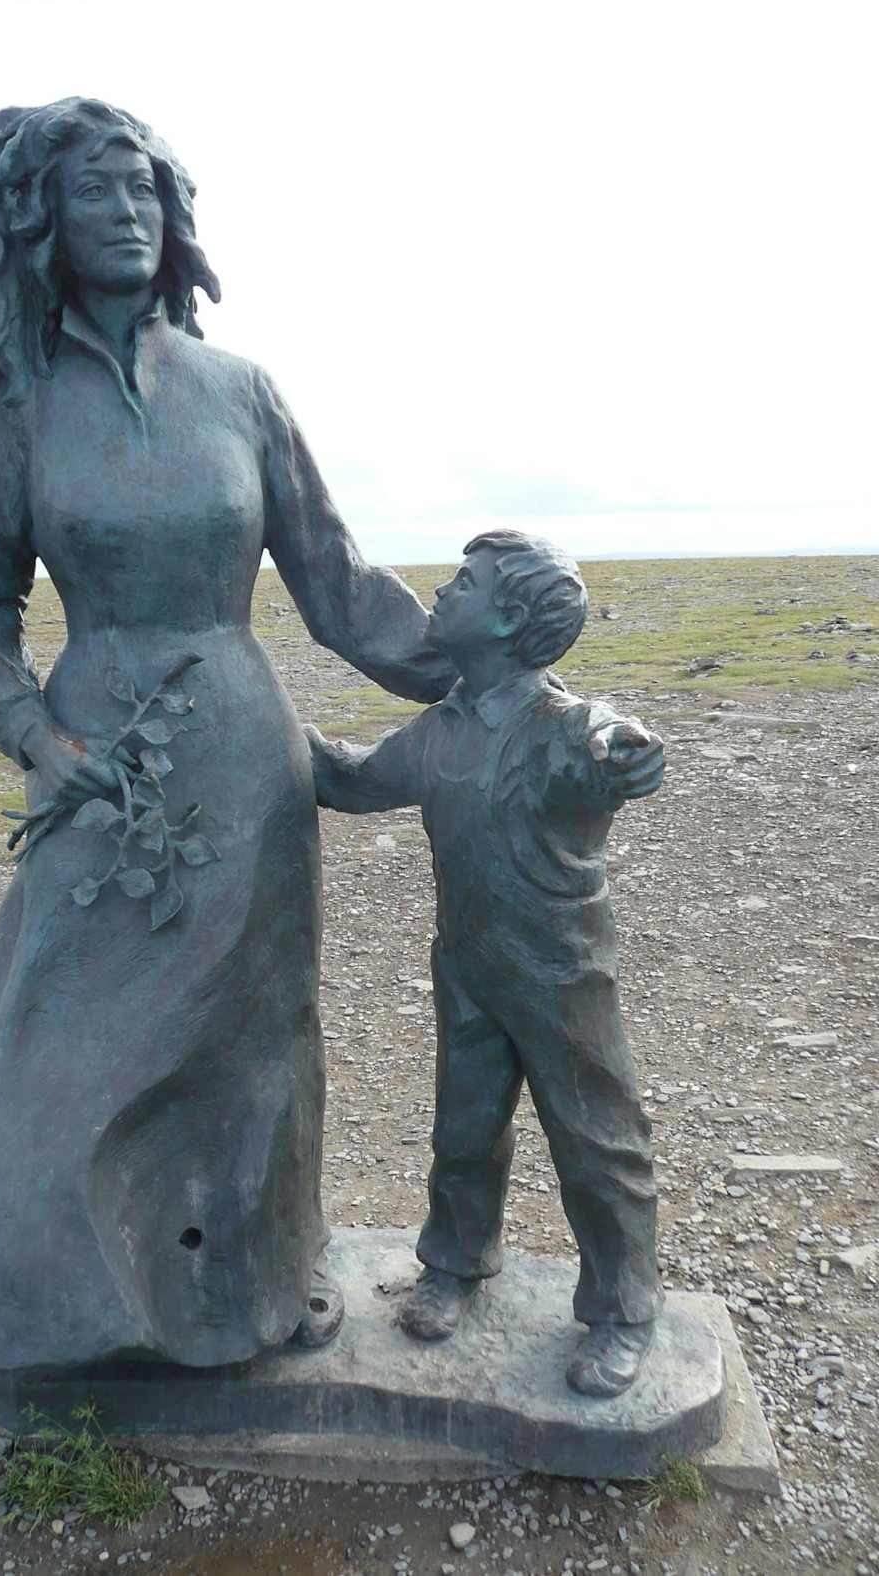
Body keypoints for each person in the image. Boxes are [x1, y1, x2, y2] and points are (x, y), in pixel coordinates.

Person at [0, 100, 660, 1380]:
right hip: (98, 772)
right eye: (93, 191)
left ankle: (251, 1291)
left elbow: (340, 587)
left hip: (247, 765)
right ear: (47, 221)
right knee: (50, 1033)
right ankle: (55, 1313)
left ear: (173, 215)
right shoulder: (18, 406)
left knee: (251, 1046)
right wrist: (35, 738)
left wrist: (504, 678)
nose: (125, 213)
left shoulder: (241, 393)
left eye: (143, 189)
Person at [305, 531, 665, 1396]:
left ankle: (623, 1309)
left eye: (464, 583)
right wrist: (265, 729)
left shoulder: (566, 728)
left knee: (596, 1138)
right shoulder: (443, 729)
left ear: (510, 620)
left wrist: (627, 748)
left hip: (562, 975)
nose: (442, 591)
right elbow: (353, 781)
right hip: (466, 966)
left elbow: (611, 743)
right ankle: (455, 1264)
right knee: (464, 1130)